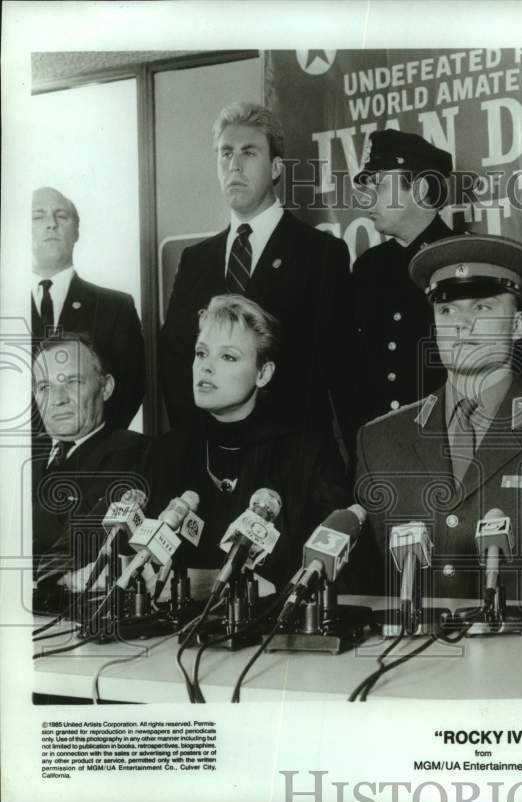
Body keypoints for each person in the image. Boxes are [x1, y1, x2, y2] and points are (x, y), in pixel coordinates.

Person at [353, 234, 522, 601]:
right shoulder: (380, 439)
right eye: (447, 311)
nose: (461, 325)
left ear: (517, 326)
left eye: (482, 309)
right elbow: (367, 586)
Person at [159, 102, 353, 441]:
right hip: (210, 459)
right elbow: (175, 363)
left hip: (292, 459)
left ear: (276, 167)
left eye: (249, 153)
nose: (234, 165)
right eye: (225, 154)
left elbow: (337, 371)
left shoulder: (321, 253)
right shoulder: (195, 260)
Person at [143, 295, 349, 589]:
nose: (206, 367)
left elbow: (329, 576)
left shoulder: (308, 454)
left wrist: (201, 584)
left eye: (227, 356)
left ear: (263, 373)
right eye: (201, 353)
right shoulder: (166, 452)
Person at [350, 129, 454, 427]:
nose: (367, 197)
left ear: (420, 190)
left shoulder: (462, 258)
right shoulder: (367, 268)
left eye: (379, 185)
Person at [31, 333, 147, 585]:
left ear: (106, 387)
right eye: (45, 387)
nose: (58, 399)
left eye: (72, 382)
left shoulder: (134, 452)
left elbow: (83, 546)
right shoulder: (17, 457)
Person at [31, 187, 145, 429]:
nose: (51, 223)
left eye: (61, 215)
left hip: (92, 460)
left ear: (77, 231)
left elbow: (132, 388)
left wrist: (89, 449)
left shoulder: (116, 307)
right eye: (38, 216)